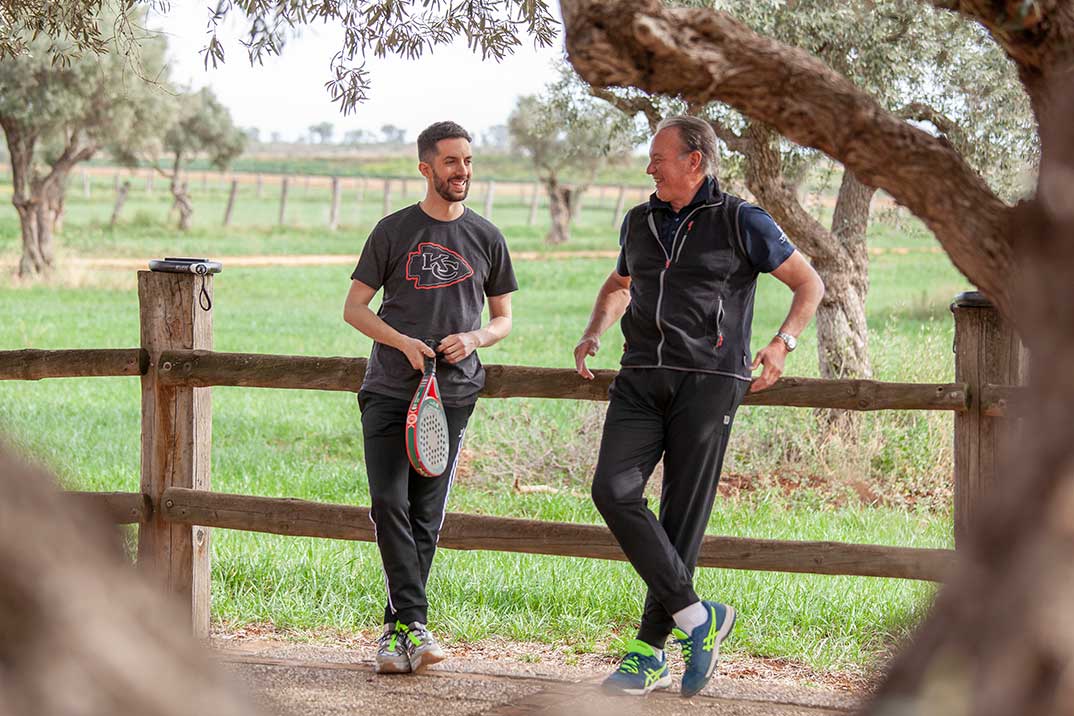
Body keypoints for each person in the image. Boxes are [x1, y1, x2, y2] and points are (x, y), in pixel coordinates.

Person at [573, 116, 824, 698]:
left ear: (695, 161)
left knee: (681, 517)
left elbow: (808, 283)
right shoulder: (639, 220)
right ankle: (697, 617)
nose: (649, 167)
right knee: (612, 490)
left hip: (710, 382)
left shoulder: (742, 219)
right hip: (639, 378)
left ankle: (646, 653)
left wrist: (783, 344)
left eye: (659, 157)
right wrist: (593, 333)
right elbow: (619, 285)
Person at [344, 121, 517, 674]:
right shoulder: (393, 231)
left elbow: (504, 319)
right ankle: (414, 626)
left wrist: (474, 338)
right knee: (388, 504)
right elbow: (355, 309)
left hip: (454, 396)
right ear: (426, 168)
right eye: (450, 162)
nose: (461, 170)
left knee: (425, 515)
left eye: (467, 160)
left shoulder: (488, 237)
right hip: (391, 390)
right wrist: (400, 342)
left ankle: (398, 635)